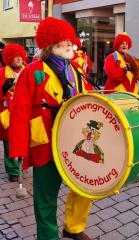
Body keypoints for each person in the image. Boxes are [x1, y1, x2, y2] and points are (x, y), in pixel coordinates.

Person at [9, 17, 94, 240]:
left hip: (75, 139)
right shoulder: (33, 71)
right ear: (50, 44)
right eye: (63, 40)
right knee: (45, 196)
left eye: (69, 39)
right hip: (45, 141)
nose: (69, 43)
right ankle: (48, 236)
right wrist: (18, 147)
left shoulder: (75, 68)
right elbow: (18, 111)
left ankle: (73, 227)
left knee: (85, 184)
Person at [0, 43, 26, 182]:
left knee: (23, 137)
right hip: (8, 110)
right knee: (9, 139)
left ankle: (21, 164)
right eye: (15, 56)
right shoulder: (2, 72)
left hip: (24, 109)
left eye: (20, 55)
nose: (18, 58)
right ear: (8, 58)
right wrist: (4, 88)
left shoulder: (27, 70)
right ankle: (13, 170)